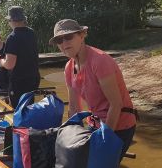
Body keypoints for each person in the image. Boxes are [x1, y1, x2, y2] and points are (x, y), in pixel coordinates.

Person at [50, 19, 137, 159]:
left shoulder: (99, 61)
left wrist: (106, 140)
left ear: (82, 35)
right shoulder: (69, 68)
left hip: (120, 125)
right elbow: (74, 107)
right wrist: (71, 135)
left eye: (68, 37)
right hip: (95, 123)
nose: (64, 43)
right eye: (59, 40)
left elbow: (116, 104)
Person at [0, 6, 40, 107]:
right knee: (29, 107)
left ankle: (20, 123)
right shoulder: (32, 33)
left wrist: (1, 61)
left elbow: (10, 65)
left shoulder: (12, 37)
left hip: (19, 82)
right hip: (33, 79)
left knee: (18, 109)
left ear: (11, 20)